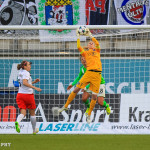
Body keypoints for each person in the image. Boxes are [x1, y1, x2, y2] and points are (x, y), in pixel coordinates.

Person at [59, 28, 102, 124]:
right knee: (76, 90)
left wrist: (90, 35)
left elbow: (98, 43)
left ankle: (89, 114)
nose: (91, 43)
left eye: (92, 43)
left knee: (94, 97)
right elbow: (78, 46)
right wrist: (78, 36)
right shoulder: (86, 53)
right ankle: (65, 106)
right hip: (89, 73)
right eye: (90, 43)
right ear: (87, 46)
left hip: (97, 75)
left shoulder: (97, 51)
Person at [15, 60, 42, 134]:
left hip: (20, 95)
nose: (30, 66)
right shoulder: (26, 73)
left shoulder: (21, 71)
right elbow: (24, 82)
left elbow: (24, 83)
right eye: (29, 65)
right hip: (28, 95)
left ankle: (17, 121)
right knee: (32, 113)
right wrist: (35, 87)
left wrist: (33, 82)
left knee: (23, 113)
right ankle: (34, 130)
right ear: (24, 66)